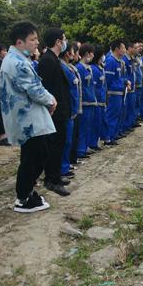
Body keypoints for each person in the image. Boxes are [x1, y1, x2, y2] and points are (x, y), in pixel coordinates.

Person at [0, 21, 56, 215]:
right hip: (27, 119)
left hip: (28, 118)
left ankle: (27, 191)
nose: (36, 43)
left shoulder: (17, 59)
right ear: (19, 42)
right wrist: (51, 100)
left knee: (35, 155)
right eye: (32, 39)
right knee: (34, 157)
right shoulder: (17, 62)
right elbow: (34, 89)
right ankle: (23, 197)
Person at [36, 28, 71, 197]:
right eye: (64, 39)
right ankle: (52, 179)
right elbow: (45, 88)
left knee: (59, 144)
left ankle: (55, 175)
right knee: (54, 145)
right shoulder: (47, 60)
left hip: (60, 110)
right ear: (58, 41)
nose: (65, 42)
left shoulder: (54, 59)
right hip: (54, 111)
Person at [59, 44, 80, 179]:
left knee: (68, 140)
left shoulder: (68, 68)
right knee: (65, 140)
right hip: (67, 109)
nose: (74, 54)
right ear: (67, 53)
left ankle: (65, 166)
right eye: (73, 51)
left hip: (72, 108)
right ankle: (62, 168)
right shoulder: (63, 68)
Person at [104, 40, 127, 145]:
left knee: (117, 115)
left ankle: (113, 135)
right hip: (113, 93)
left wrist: (126, 82)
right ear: (117, 49)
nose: (125, 50)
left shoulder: (119, 61)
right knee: (111, 115)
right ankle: (108, 138)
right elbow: (108, 79)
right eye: (123, 48)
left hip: (119, 92)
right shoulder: (110, 61)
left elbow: (120, 77)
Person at [76, 44, 96, 158]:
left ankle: (86, 146)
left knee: (89, 126)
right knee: (83, 127)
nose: (93, 56)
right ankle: (80, 149)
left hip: (91, 100)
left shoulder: (89, 68)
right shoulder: (79, 68)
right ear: (87, 54)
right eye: (92, 53)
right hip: (84, 102)